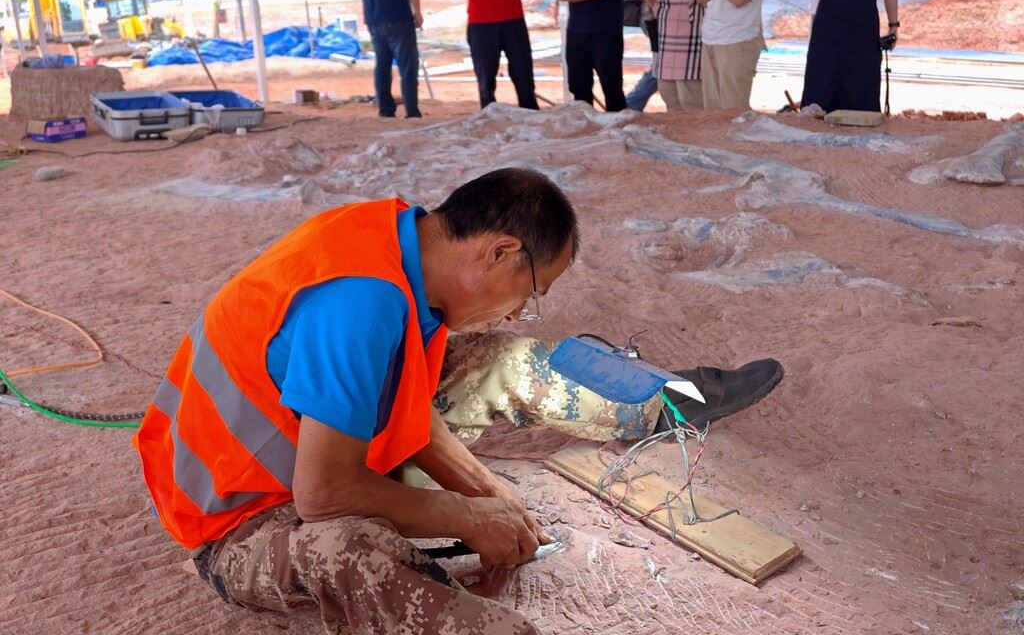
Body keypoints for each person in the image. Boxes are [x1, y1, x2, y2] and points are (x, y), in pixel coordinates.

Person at [133, 166, 784, 634]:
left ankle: (659, 403)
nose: (524, 308)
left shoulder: (408, 251)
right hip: (240, 522)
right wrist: (467, 518)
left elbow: (411, 418)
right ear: (501, 251)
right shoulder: (361, 301)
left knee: (500, 360)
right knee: (351, 550)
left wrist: (490, 500)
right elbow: (324, 495)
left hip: (322, 451)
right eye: (532, 288)